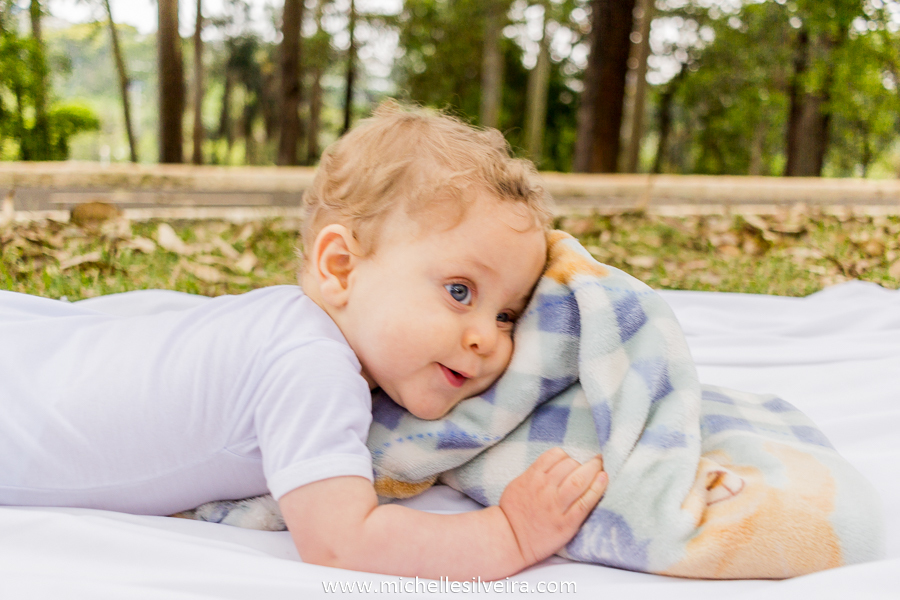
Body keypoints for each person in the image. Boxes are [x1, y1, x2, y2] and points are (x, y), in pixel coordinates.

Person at [0, 102, 607, 581]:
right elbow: (342, 544)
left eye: (508, 315)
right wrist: (510, 534)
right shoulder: (312, 365)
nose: (486, 340)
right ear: (341, 267)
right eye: (458, 291)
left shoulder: (283, 324)